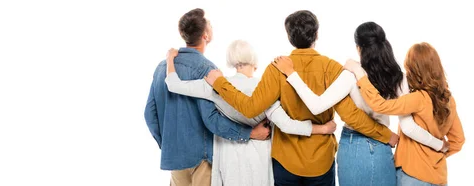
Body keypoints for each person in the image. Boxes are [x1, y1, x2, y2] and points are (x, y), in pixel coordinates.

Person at [204, 10, 399, 186]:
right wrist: (385, 134)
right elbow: (352, 116)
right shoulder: (330, 68)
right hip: (320, 162)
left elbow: (249, 108)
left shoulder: (277, 68)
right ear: (316, 35)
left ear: (289, 37)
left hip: (285, 160)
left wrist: (220, 82)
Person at [271, 22, 448, 186]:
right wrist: (439, 145)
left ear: (358, 48)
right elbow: (408, 127)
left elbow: (316, 106)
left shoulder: (351, 74)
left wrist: (291, 74)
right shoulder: (398, 77)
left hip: (353, 147)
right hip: (382, 148)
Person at [164, 40, 336, 186]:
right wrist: (323, 129)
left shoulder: (214, 85)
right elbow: (287, 124)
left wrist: (170, 59)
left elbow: (173, 85)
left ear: (231, 61)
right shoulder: (264, 89)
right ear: (255, 63)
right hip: (259, 158)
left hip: (228, 155)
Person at [143, 8, 271, 186]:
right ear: (206, 36)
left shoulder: (162, 68)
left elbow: (150, 114)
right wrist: (250, 133)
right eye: (209, 25)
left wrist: (168, 145)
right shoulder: (207, 70)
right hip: (202, 159)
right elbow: (212, 120)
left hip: (175, 159)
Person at [344, 42, 465, 185]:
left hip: (412, 174)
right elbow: (458, 140)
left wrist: (360, 75)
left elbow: (379, 105)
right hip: (439, 177)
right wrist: (438, 153)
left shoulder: (417, 99)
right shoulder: (449, 100)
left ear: (413, 69)